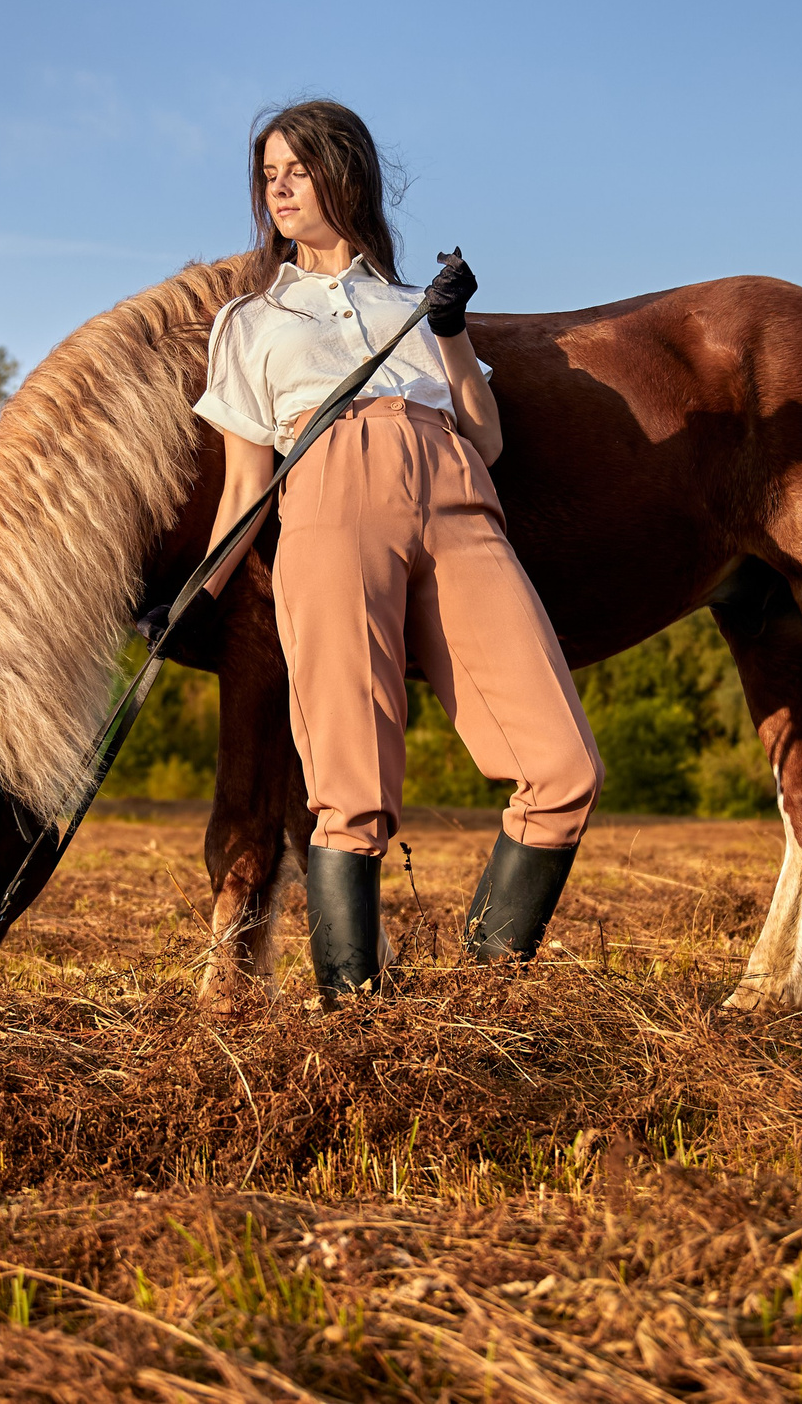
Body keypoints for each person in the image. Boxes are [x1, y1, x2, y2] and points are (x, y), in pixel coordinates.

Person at [190, 99, 603, 1004]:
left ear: (348, 174)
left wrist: (450, 329)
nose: (280, 188)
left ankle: (482, 1007)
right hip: (330, 501)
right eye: (269, 174)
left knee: (563, 768)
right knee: (350, 781)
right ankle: (355, 1025)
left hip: (456, 492)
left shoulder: (414, 307)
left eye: (298, 169)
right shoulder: (253, 322)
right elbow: (241, 487)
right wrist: (199, 593)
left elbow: (486, 437)